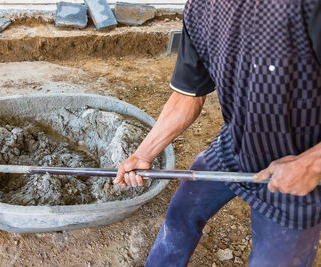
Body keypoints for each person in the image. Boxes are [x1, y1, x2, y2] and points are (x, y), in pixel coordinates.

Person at [113, 0, 321, 266]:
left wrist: (311, 164)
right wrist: (143, 154)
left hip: (298, 164)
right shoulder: (200, 9)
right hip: (235, 143)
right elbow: (187, 97)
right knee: (180, 215)